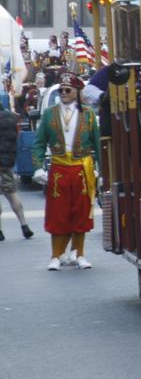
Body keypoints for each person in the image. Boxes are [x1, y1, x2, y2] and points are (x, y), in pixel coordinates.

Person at [32, 73, 100, 271]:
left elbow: (97, 143)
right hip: (59, 168)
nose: (63, 93)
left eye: (67, 90)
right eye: (61, 89)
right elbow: (38, 143)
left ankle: (79, 253)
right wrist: (37, 167)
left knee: (81, 212)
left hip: (82, 168)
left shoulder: (88, 114)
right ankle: (55, 255)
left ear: (77, 92)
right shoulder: (50, 114)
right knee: (58, 213)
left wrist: (101, 171)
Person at [0, 107, 34, 241]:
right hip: (7, 163)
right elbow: (17, 137)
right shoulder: (12, 118)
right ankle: (24, 225)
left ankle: (0, 231)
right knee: (11, 193)